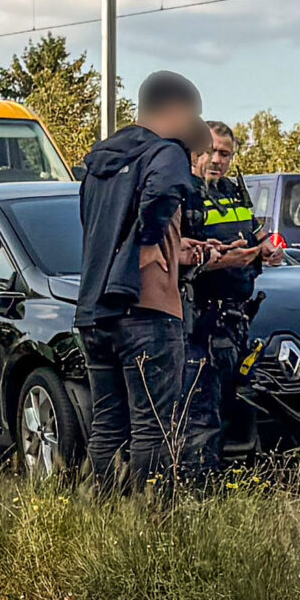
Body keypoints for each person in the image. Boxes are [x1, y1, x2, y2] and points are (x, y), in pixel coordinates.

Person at [75, 71, 212, 491]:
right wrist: (150, 242)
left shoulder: (99, 160)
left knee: (108, 425)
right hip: (147, 314)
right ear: (176, 110)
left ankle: (104, 518)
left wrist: (171, 245)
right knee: (154, 426)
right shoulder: (166, 152)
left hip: (96, 312)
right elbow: (167, 188)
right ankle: (149, 526)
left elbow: (101, 229)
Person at [189, 120, 286, 474]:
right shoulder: (185, 193)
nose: (217, 159)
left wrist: (268, 251)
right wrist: (221, 260)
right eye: (211, 151)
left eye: (225, 154)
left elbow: (258, 237)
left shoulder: (234, 191)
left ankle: (229, 482)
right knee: (201, 414)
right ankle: (198, 488)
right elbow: (174, 259)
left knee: (233, 406)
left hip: (238, 318)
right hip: (200, 319)